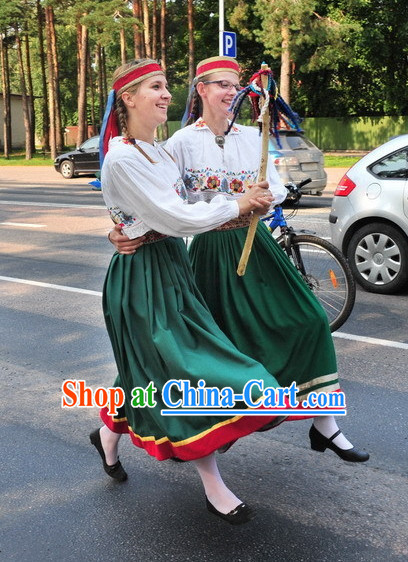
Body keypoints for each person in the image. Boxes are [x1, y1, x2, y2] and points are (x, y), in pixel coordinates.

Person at [109, 56, 369, 463]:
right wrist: (118, 230)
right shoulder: (178, 144)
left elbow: (277, 188)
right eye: (222, 85)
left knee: (308, 320)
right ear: (202, 90)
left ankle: (325, 425)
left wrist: (266, 197)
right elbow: (156, 202)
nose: (232, 93)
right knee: (194, 348)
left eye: (236, 86)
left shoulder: (252, 137)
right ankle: (123, 422)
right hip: (211, 251)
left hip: (256, 242)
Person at [90, 58, 293, 526]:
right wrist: (236, 203)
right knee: (186, 373)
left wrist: (248, 199)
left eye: (166, 87)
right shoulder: (121, 157)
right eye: (156, 88)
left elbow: (183, 205)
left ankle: (108, 433)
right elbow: (176, 217)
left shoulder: (158, 152)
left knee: (149, 373)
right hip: (142, 280)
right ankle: (214, 485)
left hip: (171, 267)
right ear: (128, 98)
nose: (166, 95)